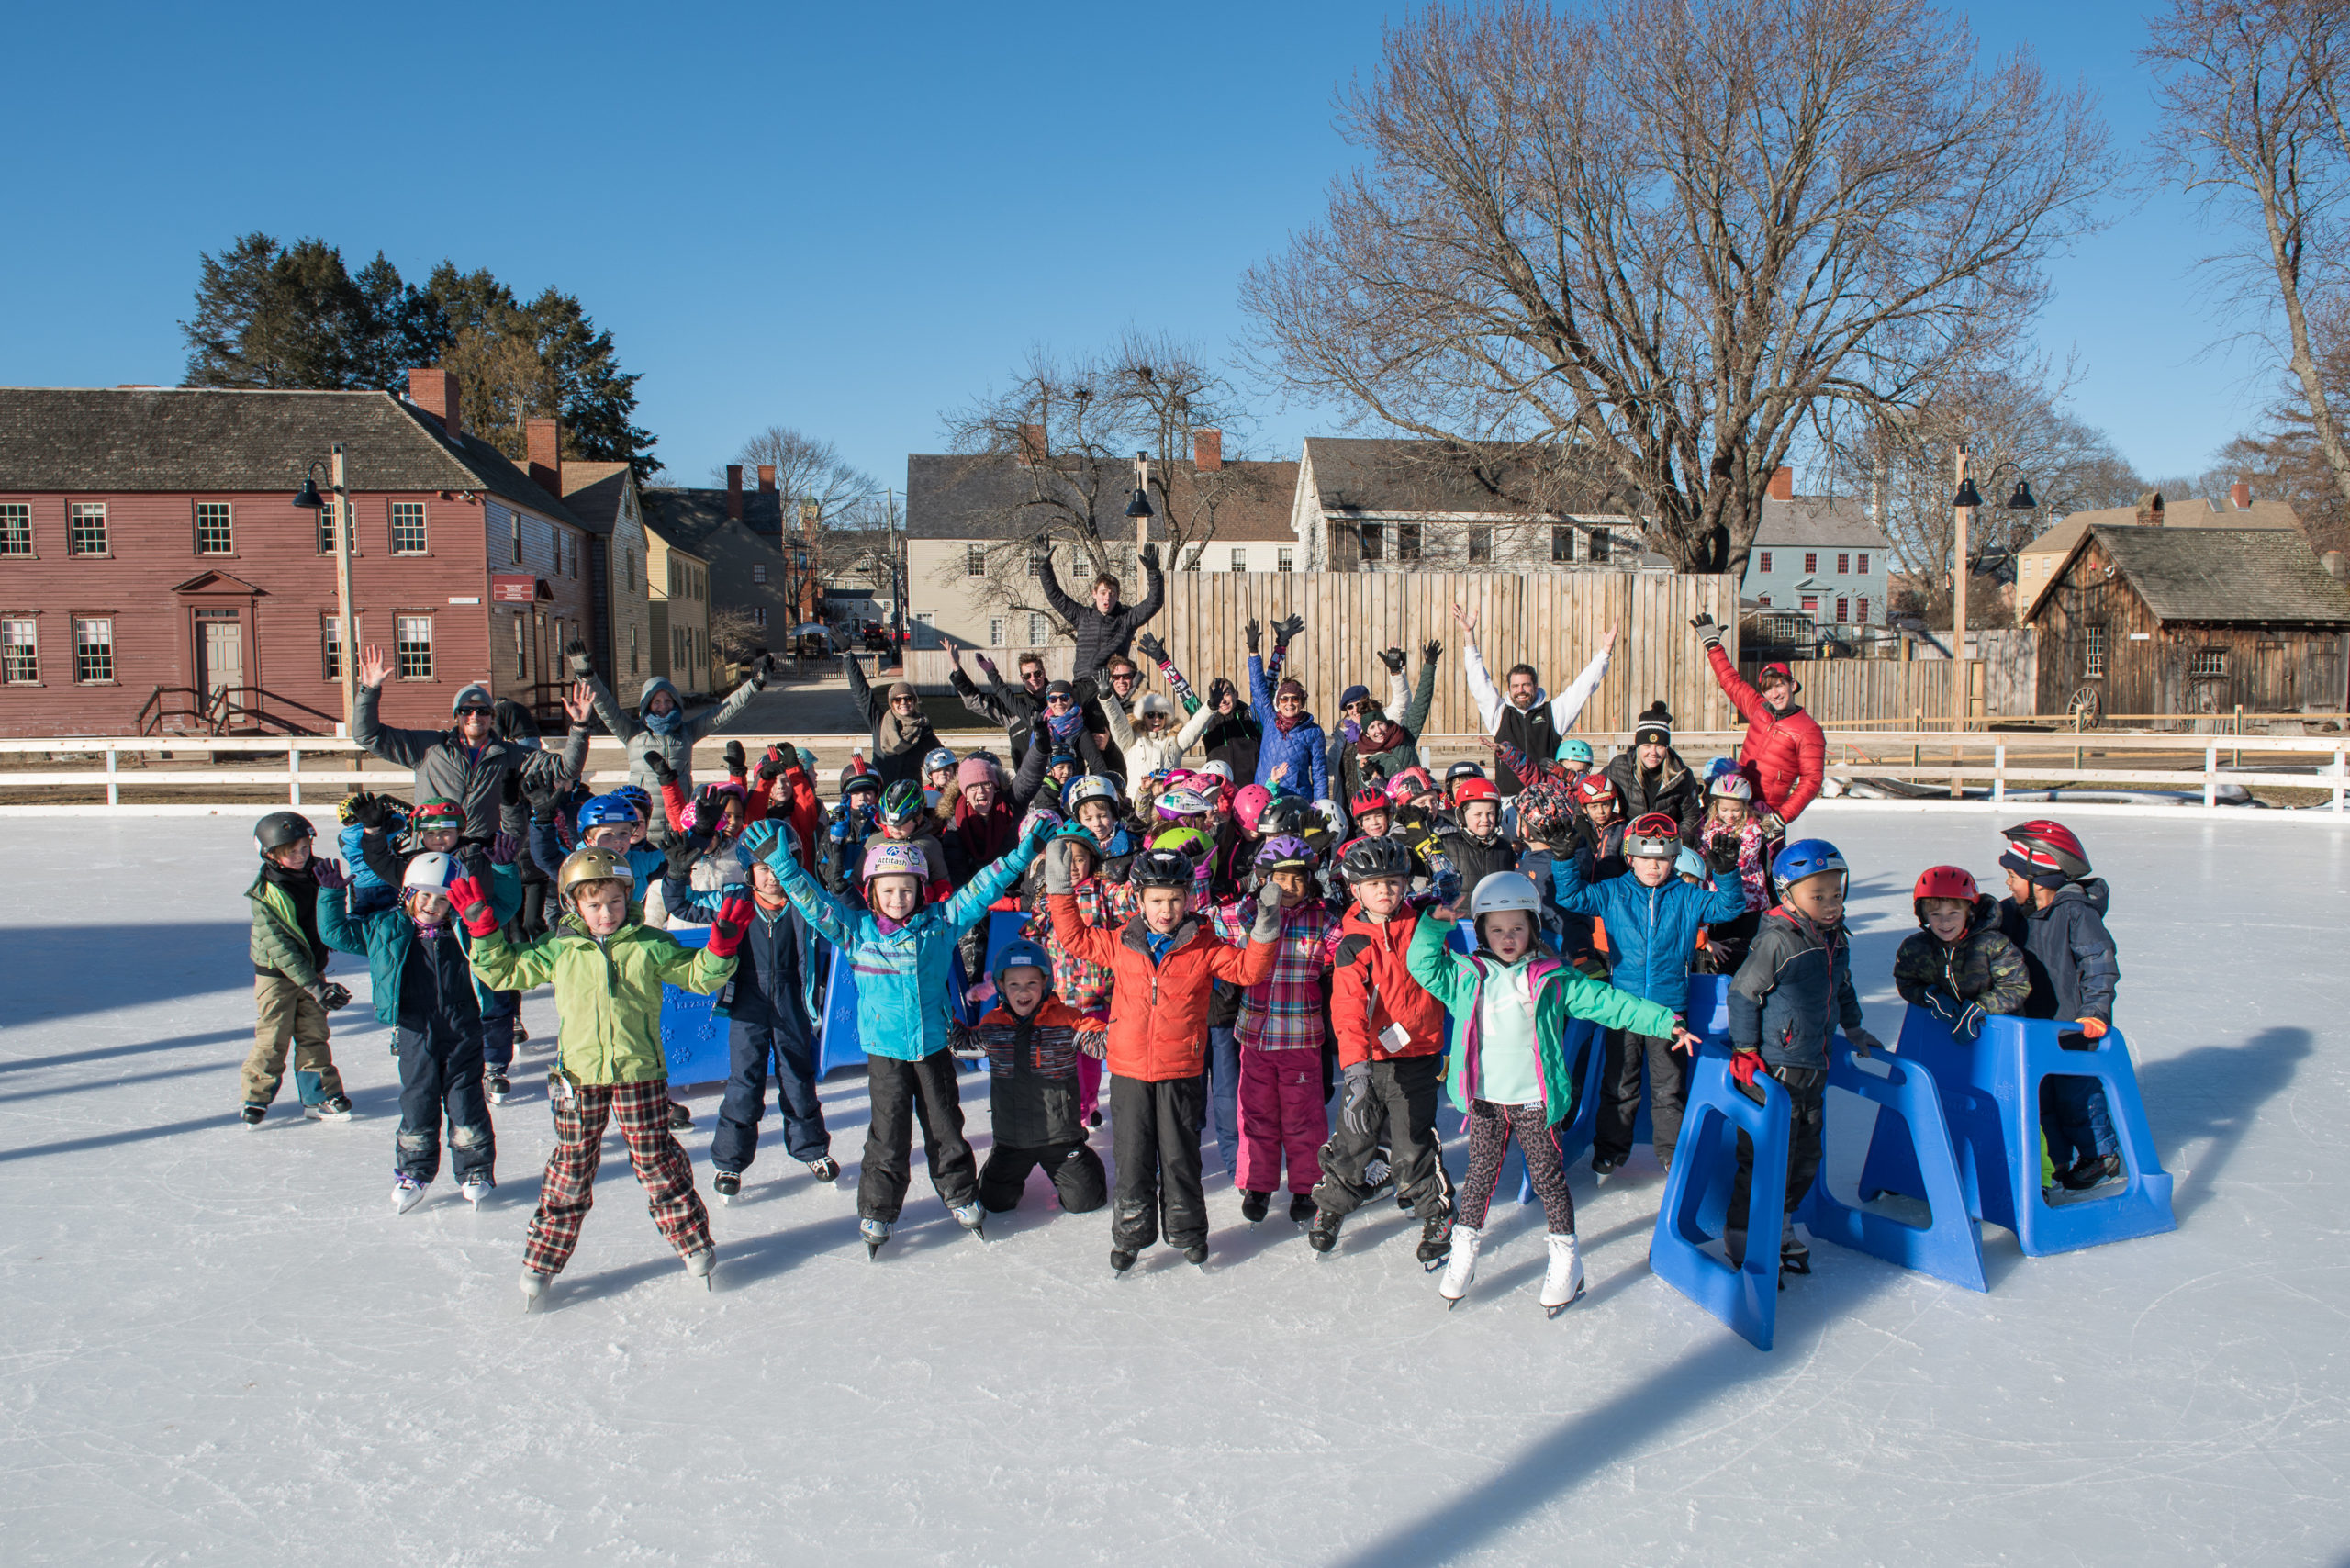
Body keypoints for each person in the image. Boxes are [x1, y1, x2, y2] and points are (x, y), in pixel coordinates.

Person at [462, 848, 746, 1307]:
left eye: (614, 901)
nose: (606, 913)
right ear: (575, 905)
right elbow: (503, 971)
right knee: (572, 1167)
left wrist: (720, 948)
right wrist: (484, 932)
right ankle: (543, 1258)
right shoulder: (560, 950)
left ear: (626, 897)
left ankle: (693, 1242)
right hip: (578, 1076)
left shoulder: (649, 944)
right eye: (594, 904)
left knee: (657, 1161)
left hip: (639, 1072)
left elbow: (700, 977)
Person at [755, 820, 1050, 1255]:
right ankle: (878, 1207)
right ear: (873, 892)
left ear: (922, 890)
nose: (899, 899)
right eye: (889, 891)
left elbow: (982, 889)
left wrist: (1021, 857)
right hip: (886, 1053)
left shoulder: (941, 924)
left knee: (946, 1126)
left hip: (932, 1048)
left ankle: (960, 1192)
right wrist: (785, 869)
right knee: (887, 1134)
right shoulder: (858, 932)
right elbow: (815, 905)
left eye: (908, 890)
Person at [1410, 871, 1695, 1311]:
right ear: (1482, 931)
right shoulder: (1466, 976)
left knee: (1548, 1179)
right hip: (1484, 1100)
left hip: (1535, 1102)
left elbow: (1609, 1003)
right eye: (1497, 929)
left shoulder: (1553, 979)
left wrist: (1664, 1021)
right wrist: (1436, 923)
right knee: (1481, 1178)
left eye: (1518, 928)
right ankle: (1464, 1251)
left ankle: (1566, 1258)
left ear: (1533, 929)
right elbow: (1423, 964)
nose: (1508, 938)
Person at [1044, 841, 1281, 1271]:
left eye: (1175, 899)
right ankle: (1132, 1235)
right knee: (1132, 1157)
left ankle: (1188, 1232)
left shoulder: (1204, 945)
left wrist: (1265, 928)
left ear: (1189, 899)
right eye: (1156, 900)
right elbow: (1073, 938)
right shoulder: (1122, 942)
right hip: (1129, 1071)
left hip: (1181, 1070)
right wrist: (1060, 890)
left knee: (1179, 1157)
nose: (1166, 909)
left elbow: (1250, 971)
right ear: (1139, 901)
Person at [1550, 812, 1748, 1178]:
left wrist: (1726, 873)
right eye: (1645, 857)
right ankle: (1611, 1149)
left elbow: (1729, 907)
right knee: (1618, 1082)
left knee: (1669, 1089)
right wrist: (1563, 860)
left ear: (1673, 859)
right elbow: (1572, 898)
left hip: (1670, 1012)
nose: (1653, 866)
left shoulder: (1688, 897)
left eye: (1661, 858)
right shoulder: (1613, 892)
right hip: (1623, 1009)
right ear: (1631, 858)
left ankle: (1672, 1155)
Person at [320, 849, 518, 1212]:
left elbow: (505, 904)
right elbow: (335, 934)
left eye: (442, 899)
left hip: (463, 1024)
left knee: (465, 1098)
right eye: (425, 896)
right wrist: (331, 896)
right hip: (414, 1027)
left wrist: (504, 869)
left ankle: (475, 1170)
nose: (432, 905)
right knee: (418, 1098)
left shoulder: (467, 928)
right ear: (408, 896)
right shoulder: (385, 928)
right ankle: (414, 1170)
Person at [1726, 840, 1886, 1278]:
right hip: (1772, 1070)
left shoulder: (1835, 939)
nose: (1831, 905)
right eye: (1818, 896)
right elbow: (1742, 993)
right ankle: (1743, 1238)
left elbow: (1845, 987)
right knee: (1764, 1154)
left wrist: (1853, 1027)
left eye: (1836, 894)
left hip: (1815, 1064)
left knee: (1805, 1156)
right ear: (1787, 893)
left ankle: (1778, 1228)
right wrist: (1745, 1050)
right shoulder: (1779, 941)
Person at [1311, 835, 1454, 1261]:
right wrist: (1354, 1072)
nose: (1385, 891)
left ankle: (1436, 1211)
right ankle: (1332, 1207)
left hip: (1418, 1055)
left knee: (1413, 1142)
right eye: (1374, 884)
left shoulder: (1424, 921)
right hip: (1369, 1061)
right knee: (1353, 1138)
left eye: (1393, 882)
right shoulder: (1352, 942)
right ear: (1354, 889)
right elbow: (1348, 1010)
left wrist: (1450, 885)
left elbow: (1458, 909)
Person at [688, 816, 837, 1202]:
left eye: (781, 865)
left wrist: (835, 876)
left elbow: (842, 910)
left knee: (797, 1077)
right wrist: (676, 870)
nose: (772, 876)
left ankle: (813, 1149)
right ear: (750, 869)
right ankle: (730, 1161)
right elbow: (682, 906)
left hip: (790, 998)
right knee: (745, 1081)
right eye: (763, 867)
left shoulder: (806, 905)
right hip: (748, 1000)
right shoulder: (734, 901)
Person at [1208, 836, 1341, 1224]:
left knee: (1305, 1116)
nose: (1288, 887)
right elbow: (1208, 921)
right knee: (1255, 1114)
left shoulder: (1322, 919)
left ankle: (1306, 1185)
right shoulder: (1246, 914)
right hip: (1255, 1038)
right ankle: (1258, 1184)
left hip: (1301, 1036)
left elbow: (1348, 945)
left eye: (1297, 878)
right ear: (1263, 878)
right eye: (1278, 879)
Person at [1995, 820, 2124, 1190]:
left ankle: (2101, 1156)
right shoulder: (2014, 913)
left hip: (2071, 1028)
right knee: (2042, 1097)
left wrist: (2095, 1012)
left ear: (2040, 876)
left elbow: (2099, 962)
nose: (2008, 883)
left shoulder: (2074, 912)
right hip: (2031, 1027)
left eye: (2013, 875)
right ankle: (2059, 1162)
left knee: (2076, 1095)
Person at [352, 654, 592, 843]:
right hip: (433, 846)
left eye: (483, 710)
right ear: (456, 716)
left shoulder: (513, 755)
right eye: (466, 710)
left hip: (483, 853)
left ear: (492, 716)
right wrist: (369, 691)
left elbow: (566, 770)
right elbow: (367, 735)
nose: (475, 716)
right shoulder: (429, 748)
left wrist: (580, 726)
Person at [955, 938, 1111, 1217]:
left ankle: (1085, 1162)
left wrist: (1125, 1023)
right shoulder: (994, 1024)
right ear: (1002, 987)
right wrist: (940, 1019)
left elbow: (1101, 1043)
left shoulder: (1066, 1019)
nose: (1023, 991)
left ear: (1045, 983)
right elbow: (964, 1046)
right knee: (994, 1203)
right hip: (1011, 1141)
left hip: (1061, 1139)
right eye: (1014, 984)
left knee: (1087, 1201)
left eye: (1031, 983)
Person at [240, 812, 354, 1126]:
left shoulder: (319, 874)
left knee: (314, 1034)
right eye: (291, 851)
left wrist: (336, 893)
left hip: (313, 970)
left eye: (305, 848)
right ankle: (256, 1096)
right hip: (276, 976)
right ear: (270, 854)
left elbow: (331, 920)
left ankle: (320, 1097)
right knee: (273, 1036)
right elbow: (282, 949)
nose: (301, 856)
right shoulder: (264, 895)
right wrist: (316, 986)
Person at [569, 640, 769, 807]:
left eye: (667, 701)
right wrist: (587, 675)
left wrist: (755, 685)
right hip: (642, 816)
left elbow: (724, 711)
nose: (663, 706)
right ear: (647, 705)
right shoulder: (632, 732)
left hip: (678, 813)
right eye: (656, 701)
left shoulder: (686, 732)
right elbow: (606, 705)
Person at [1451, 604, 1616, 798]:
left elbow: (1583, 687)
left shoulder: (1553, 713)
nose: (1520, 691)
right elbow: (1479, 683)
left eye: (1526, 685)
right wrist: (1469, 637)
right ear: (1509, 689)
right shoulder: (1499, 714)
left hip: (1548, 798)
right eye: (1515, 686)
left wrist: (1604, 653)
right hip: (1509, 799)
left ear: (1535, 687)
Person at [1691, 616, 1826, 834]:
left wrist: (1781, 818)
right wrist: (1713, 646)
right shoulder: (1759, 709)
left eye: (1779, 686)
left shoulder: (1808, 730)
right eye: (1768, 689)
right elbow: (1731, 682)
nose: (1775, 694)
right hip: (1738, 803)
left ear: (1792, 685)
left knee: (1763, 862)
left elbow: (1812, 780)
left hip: (1769, 812)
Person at [1895, 866, 2031, 1045]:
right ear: (1924, 915)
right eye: (1936, 914)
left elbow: (2016, 986)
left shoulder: (1993, 945)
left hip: (1997, 1035)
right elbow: (1906, 982)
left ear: (1969, 912)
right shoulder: (1914, 948)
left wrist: (1981, 1007)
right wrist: (1931, 996)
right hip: (1943, 1032)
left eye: (1954, 913)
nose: (1945, 922)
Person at [1333, 643, 1441, 812]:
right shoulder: (1365, 756)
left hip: (1421, 807)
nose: (1378, 731)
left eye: (1380, 724)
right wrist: (1373, 777)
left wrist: (1429, 666)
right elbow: (1374, 799)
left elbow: (1421, 704)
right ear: (1366, 732)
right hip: (1394, 817)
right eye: (1372, 728)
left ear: (1386, 722)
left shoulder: (1404, 736)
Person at [1036, 543, 1167, 678]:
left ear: (1117, 596)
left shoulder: (1126, 619)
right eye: (1103, 593)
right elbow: (1056, 596)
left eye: (1112, 594)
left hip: (1110, 683)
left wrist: (1153, 572)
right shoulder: (1082, 616)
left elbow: (1154, 602)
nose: (1107, 598)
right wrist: (1044, 566)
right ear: (1094, 593)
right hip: (1083, 683)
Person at [1691, 764, 1770, 971]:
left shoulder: (1752, 828)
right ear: (1715, 805)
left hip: (1748, 902)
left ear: (1744, 807)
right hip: (1716, 900)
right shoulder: (1708, 826)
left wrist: (1719, 862)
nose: (1730, 815)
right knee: (1719, 949)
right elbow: (1701, 856)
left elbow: (1743, 861)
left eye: (1736, 810)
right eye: (1724, 809)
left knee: (1744, 949)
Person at [1245, 615, 1331, 801]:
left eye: (1294, 699)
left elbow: (1319, 774)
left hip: (1296, 799)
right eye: (1284, 699)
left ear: (1302, 702)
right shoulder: (1270, 720)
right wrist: (1253, 651)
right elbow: (1259, 689)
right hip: (1265, 794)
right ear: (1279, 702)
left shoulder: (1313, 732)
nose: (1289, 704)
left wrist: (1321, 806)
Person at [1601, 702, 1703, 840]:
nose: (1653, 752)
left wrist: (1677, 839)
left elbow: (1691, 816)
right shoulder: (1620, 766)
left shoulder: (1681, 775)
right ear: (1638, 747)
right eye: (1647, 746)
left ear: (1666, 748)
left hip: (1666, 840)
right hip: (1629, 837)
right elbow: (1591, 790)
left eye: (1659, 746)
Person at [841, 654, 943, 790]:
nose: (903, 703)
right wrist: (847, 656)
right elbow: (862, 694)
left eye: (908, 698)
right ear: (892, 703)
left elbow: (941, 758)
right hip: (882, 791)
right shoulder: (880, 722)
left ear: (914, 701)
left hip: (910, 793)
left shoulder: (923, 728)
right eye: (898, 699)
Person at [1100, 679, 1217, 794]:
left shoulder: (1175, 741)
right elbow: (1117, 721)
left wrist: (1210, 707)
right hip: (1137, 806)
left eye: (1161, 715)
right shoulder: (1131, 740)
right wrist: (1107, 699)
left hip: (1167, 804)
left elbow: (1195, 727)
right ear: (1143, 716)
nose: (1156, 719)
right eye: (1150, 715)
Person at [1446, 777, 1519, 905]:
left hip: (1494, 920)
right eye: (1477, 814)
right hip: (1459, 923)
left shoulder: (1505, 848)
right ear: (1461, 816)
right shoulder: (1447, 845)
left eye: (1490, 814)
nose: (1485, 819)